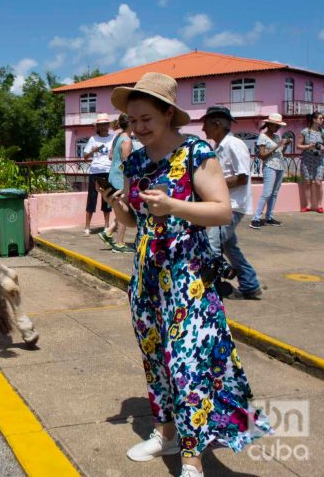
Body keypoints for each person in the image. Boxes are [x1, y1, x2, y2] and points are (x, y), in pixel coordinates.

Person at [99, 72, 270, 477]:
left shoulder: (196, 153)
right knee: (156, 361)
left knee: (188, 367)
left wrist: (173, 207)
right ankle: (166, 434)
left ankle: (192, 461)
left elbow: (221, 210)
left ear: (168, 114)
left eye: (146, 119)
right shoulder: (136, 160)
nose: (138, 128)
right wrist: (117, 202)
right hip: (147, 277)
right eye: (133, 120)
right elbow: (134, 218)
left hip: (188, 278)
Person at [201, 106, 262, 300]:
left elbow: (242, 177)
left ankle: (214, 286)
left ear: (217, 124)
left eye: (206, 124)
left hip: (233, 205)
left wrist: (212, 186)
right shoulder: (220, 146)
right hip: (226, 203)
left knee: (211, 246)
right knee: (229, 248)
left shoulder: (233, 145)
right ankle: (250, 284)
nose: (203, 129)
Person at [98, 113, 134, 252]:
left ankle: (107, 232)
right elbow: (127, 164)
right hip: (121, 177)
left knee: (120, 208)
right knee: (124, 209)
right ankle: (119, 243)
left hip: (113, 174)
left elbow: (111, 156)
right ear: (130, 124)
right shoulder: (127, 141)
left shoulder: (117, 137)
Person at [250, 114, 290, 229]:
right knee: (266, 193)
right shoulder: (263, 137)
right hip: (269, 166)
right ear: (270, 125)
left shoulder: (277, 137)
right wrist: (276, 146)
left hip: (280, 166)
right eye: (276, 126)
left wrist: (285, 146)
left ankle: (269, 217)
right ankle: (255, 218)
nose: (278, 128)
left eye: (279, 126)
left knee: (274, 193)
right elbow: (262, 155)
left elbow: (281, 153)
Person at [82, 113, 114, 236]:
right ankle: (87, 227)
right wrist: (92, 151)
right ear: (98, 127)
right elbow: (85, 157)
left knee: (107, 199)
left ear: (108, 125)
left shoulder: (113, 138)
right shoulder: (93, 139)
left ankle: (106, 226)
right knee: (92, 198)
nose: (104, 127)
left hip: (108, 171)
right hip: (95, 172)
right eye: (101, 125)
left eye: (106, 124)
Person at [298, 111, 324, 213]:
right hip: (307, 160)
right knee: (308, 182)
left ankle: (319, 205)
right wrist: (308, 146)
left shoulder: (322, 132)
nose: (322, 120)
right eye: (320, 118)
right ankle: (308, 205)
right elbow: (298, 146)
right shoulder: (304, 132)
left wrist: (322, 147)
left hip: (319, 160)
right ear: (314, 119)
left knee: (318, 182)